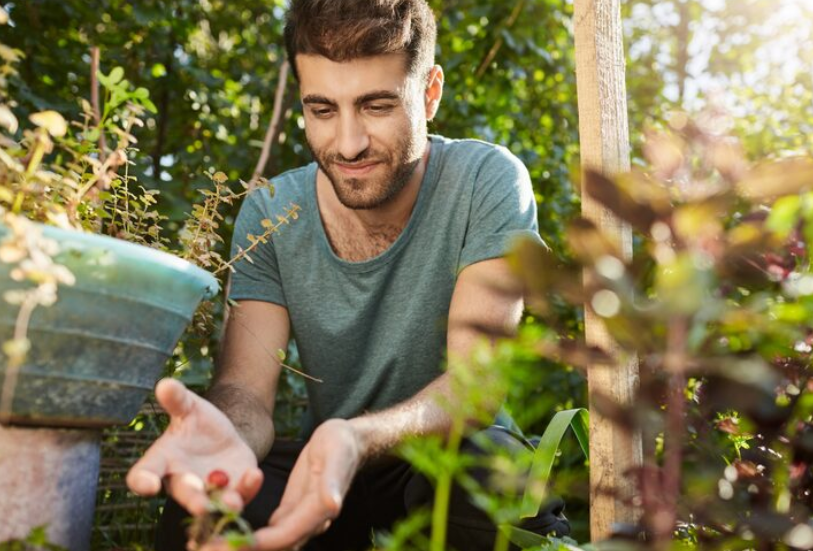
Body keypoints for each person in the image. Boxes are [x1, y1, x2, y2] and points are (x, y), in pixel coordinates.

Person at [126, 0, 570, 549]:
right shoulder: (271, 213)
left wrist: (356, 437)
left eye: (376, 106)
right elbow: (244, 389)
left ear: (430, 93)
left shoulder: (486, 181)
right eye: (323, 110)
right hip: (332, 462)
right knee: (216, 505)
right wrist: (231, 442)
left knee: (483, 478)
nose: (349, 143)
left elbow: (477, 386)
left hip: (441, 452)